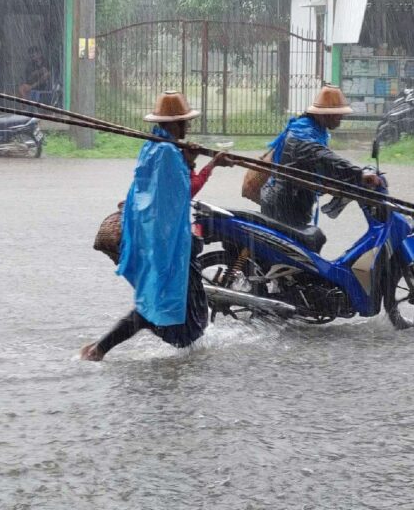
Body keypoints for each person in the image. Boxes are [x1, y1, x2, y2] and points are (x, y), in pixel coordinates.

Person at [80, 91, 232, 362]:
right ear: (176, 124)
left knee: (164, 301)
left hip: (152, 237)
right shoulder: (167, 153)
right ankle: (98, 349)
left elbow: (166, 190)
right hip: (167, 243)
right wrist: (212, 165)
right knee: (160, 305)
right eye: (185, 122)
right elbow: (185, 191)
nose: (188, 127)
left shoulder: (154, 146)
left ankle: (100, 348)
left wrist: (188, 160)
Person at [260, 84, 383, 229]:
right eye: (338, 114)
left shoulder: (314, 130)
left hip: (292, 201)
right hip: (283, 205)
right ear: (324, 114)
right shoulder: (303, 135)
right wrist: (358, 173)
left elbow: (319, 165)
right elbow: (323, 157)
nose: (341, 118)